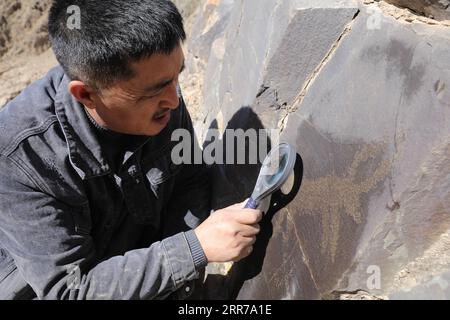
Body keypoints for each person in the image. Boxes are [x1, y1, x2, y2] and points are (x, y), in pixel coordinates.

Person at [0, 0, 261, 300]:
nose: (175, 100)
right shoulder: (20, 159)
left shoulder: (157, 93)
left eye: (177, 76)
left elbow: (189, 180)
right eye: (156, 90)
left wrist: (178, 286)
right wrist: (194, 248)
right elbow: (71, 290)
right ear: (86, 94)